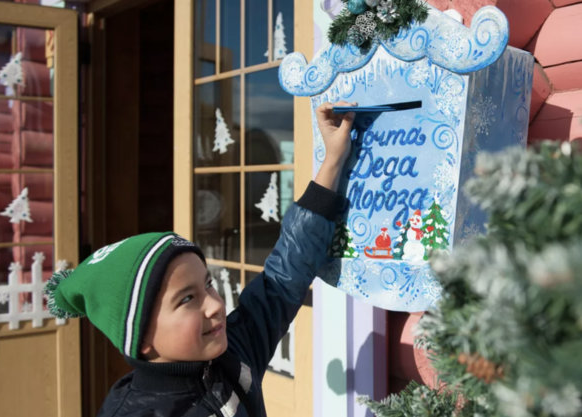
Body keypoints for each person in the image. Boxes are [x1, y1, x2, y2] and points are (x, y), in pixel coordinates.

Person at [45, 102, 357, 417]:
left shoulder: (234, 355)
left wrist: (332, 159)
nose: (216, 305)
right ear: (140, 339)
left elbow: (285, 273)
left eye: (207, 284)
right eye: (187, 298)